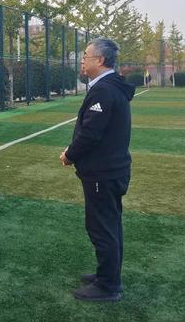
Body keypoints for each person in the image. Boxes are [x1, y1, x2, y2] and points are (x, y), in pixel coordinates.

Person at [60, 38, 134, 302]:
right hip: (111, 170)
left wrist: (69, 155)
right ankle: (108, 275)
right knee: (110, 224)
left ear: (100, 60)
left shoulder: (104, 90)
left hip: (104, 172)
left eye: (86, 56)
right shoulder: (111, 86)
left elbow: (91, 133)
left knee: (102, 227)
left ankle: (108, 286)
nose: (82, 60)